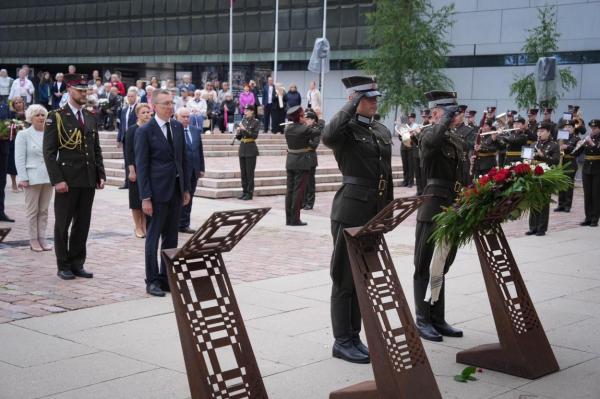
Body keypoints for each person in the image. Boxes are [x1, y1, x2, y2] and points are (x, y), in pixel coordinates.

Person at [322, 76, 393, 364]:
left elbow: (386, 173)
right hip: (350, 209)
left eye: (376, 98)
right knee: (343, 277)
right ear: (355, 100)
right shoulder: (346, 130)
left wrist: (387, 212)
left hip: (374, 208)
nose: (375, 102)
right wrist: (350, 105)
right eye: (368, 98)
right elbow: (327, 136)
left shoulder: (379, 129)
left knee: (362, 277)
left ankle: (355, 336)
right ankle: (342, 340)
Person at [413, 90, 467, 342]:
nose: (455, 115)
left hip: (454, 204)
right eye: (448, 110)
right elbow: (431, 144)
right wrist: (443, 120)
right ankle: (422, 319)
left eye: (454, 111)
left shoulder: (456, 139)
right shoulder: (427, 133)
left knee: (442, 265)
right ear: (436, 113)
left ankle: (437, 317)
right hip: (433, 206)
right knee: (424, 265)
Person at [43, 73, 106, 280]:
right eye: (79, 90)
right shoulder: (57, 116)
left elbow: (95, 148)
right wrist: (58, 179)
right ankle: (63, 264)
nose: (83, 93)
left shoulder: (89, 116)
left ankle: (78, 262)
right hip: (67, 179)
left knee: (83, 223)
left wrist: (100, 173)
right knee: (63, 223)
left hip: (87, 178)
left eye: (85, 90)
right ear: (69, 90)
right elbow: (49, 152)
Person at [134, 89, 191, 297]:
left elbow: (182, 159)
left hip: (175, 191)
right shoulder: (145, 131)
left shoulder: (176, 126)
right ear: (154, 106)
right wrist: (145, 197)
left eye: (171, 103)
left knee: (171, 239)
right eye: (165, 104)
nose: (170, 107)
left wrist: (185, 189)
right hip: (156, 194)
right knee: (153, 238)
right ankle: (152, 281)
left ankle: (166, 277)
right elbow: (142, 166)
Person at [14, 104, 53, 251]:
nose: (41, 117)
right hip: (31, 178)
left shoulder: (50, 133)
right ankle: (33, 239)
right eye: (37, 115)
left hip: (48, 177)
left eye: (43, 115)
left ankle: (42, 237)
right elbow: (19, 158)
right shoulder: (23, 134)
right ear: (31, 118)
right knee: (32, 211)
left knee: (44, 210)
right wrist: (22, 178)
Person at [284, 106, 322, 226]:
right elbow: (319, 130)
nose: (305, 118)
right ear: (299, 117)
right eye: (303, 116)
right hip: (301, 162)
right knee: (298, 192)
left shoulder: (287, 128)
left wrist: (304, 123)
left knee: (289, 191)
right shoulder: (304, 129)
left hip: (290, 161)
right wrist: (319, 118)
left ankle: (288, 218)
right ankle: (295, 219)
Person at [526, 122, 560, 236]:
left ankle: (541, 228)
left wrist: (543, 156)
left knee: (544, 202)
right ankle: (533, 227)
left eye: (542, 131)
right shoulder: (534, 144)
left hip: (546, 175)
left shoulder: (554, 145)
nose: (539, 133)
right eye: (538, 131)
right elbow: (528, 158)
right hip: (534, 175)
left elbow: (555, 160)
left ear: (548, 132)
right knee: (533, 200)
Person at [125, 103, 152, 239]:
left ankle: (146, 225)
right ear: (137, 115)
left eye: (148, 112)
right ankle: (138, 226)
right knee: (136, 199)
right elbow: (128, 151)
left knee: (146, 198)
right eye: (144, 112)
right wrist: (131, 170)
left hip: (149, 169)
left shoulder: (151, 129)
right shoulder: (132, 130)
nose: (147, 115)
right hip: (135, 168)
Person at [177, 107, 205, 234]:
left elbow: (199, 150)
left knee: (189, 198)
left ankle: (184, 224)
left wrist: (201, 168)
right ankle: (175, 223)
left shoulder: (195, 130)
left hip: (194, 170)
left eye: (188, 116)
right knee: (179, 198)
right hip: (180, 172)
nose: (186, 119)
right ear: (177, 117)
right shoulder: (174, 131)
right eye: (183, 116)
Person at [573, 119, 600, 227]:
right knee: (587, 194)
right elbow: (576, 153)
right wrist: (578, 145)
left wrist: (591, 143)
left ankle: (595, 218)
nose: (593, 130)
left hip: (598, 169)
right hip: (586, 169)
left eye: (595, 128)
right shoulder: (587, 138)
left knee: (596, 194)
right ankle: (587, 217)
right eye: (592, 128)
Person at [555, 118, 580, 213]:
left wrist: (568, 147)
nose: (567, 128)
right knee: (561, 184)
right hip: (561, 162)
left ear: (573, 128)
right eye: (566, 127)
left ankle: (567, 205)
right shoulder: (561, 137)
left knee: (569, 185)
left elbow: (577, 151)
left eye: (570, 127)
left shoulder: (576, 138)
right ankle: (560, 204)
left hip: (570, 162)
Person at [235, 105, 260, 200]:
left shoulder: (256, 122)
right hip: (243, 148)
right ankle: (244, 191)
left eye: (247, 110)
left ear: (252, 111)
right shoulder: (243, 121)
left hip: (250, 149)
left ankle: (249, 193)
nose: (245, 112)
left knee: (249, 173)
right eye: (245, 110)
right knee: (243, 173)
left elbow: (254, 136)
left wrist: (244, 130)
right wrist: (238, 132)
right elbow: (240, 138)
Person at [117, 87, 140, 189]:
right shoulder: (124, 110)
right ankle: (127, 182)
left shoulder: (139, 109)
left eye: (132, 96)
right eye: (129, 96)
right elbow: (121, 125)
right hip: (126, 138)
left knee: (136, 159)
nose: (130, 98)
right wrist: (119, 139)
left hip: (136, 137)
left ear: (136, 97)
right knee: (127, 160)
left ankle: (137, 181)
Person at [302, 107, 323, 210]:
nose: (306, 121)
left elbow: (314, 145)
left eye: (308, 119)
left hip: (310, 158)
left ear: (313, 120)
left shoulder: (316, 129)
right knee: (303, 182)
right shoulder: (304, 128)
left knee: (310, 183)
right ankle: (304, 201)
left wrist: (304, 139)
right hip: (302, 158)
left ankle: (310, 203)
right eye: (305, 119)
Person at [7, 97, 27, 193]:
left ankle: (24, 182)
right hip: (14, 140)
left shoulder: (28, 113)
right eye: (16, 103)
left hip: (27, 140)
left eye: (20, 102)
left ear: (23, 103)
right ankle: (14, 183)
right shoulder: (11, 114)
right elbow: (8, 126)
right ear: (13, 105)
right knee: (12, 162)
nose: (18, 104)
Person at [400, 113, 417, 187]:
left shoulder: (416, 126)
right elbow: (400, 137)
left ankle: (410, 182)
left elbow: (416, 137)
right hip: (404, 147)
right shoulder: (404, 126)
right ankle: (405, 180)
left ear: (413, 119)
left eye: (411, 118)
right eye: (408, 118)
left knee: (411, 165)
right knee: (405, 165)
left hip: (411, 148)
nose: (409, 119)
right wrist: (402, 135)